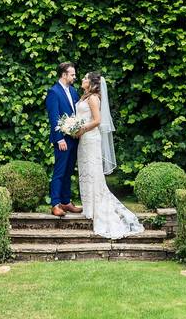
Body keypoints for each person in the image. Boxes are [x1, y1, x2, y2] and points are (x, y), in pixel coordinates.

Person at [74, 71, 144, 239]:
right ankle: (88, 207)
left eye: (85, 78)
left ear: (92, 83)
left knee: (93, 173)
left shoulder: (93, 98)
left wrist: (81, 129)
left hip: (91, 138)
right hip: (84, 140)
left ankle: (96, 208)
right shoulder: (85, 96)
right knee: (86, 172)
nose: (82, 80)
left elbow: (97, 120)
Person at [44, 62, 82, 217]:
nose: (74, 77)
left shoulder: (73, 91)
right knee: (59, 172)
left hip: (74, 138)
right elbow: (54, 117)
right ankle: (55, 204)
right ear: (64, 74)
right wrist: (59, 139)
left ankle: (66, 202)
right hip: (62, 140)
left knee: (68, 171)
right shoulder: (53, 92)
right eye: (72, 74)